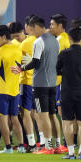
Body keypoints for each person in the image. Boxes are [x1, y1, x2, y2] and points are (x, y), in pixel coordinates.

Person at [19, 16, 59, 154]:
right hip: (53, 83)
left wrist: (21, 68)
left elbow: (35, 62)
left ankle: (48, 147)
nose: (30, 33)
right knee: (53, 115)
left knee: (43, 115)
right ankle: (58, 145)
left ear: (36, 27)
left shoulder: (39, 41)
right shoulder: (55, 40)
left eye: (31, 30)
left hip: (40, 84)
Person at [56, 27, 81, 160]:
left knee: (67, 123)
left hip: (67, 92)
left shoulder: (63, 54)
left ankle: (71, 152)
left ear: (69, 38)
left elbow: (57, 70)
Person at [0, 25, 24, 154]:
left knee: (3, 118)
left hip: (2, 90)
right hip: (15, 89)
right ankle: (21, 146)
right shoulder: (18, 48)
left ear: (4, 36)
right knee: (14, 118)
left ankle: (8, 147)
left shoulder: (0, 51)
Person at [49, 13, 70, 153]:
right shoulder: (66, 38)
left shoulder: (60, 40)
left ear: (60, 26)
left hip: (60, 81)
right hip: (65, 81)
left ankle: (66, 143)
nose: (50, 27)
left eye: (52, 25)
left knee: (63, 114)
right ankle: (67, 143)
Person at [19, 15, 38, 152]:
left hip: (26, 82)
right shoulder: (42, 41)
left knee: (25, 113)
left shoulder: (25, 43)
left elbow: (20, 63)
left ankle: (31, 144)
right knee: (37, 113)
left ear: (27, 27)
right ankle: (43, 142)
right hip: (39, 82)